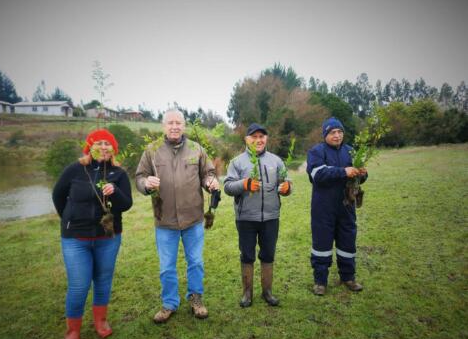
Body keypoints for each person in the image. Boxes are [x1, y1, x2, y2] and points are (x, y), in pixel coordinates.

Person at [52, 129, 132, 339]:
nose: (104, 147)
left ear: (114, 148)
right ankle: (73, 332)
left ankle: (100, 321)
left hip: (108, 238)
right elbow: (58, 195)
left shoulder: (118, 173)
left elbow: (126, 204)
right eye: (99, 143)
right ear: (90, 146)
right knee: (79, 285)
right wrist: (68, 218)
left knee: (103, 280)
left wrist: (114, 191)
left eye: (108, 143)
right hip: (76, 239)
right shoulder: (75, 170)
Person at [135, 109, 219, 323]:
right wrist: (145, 184)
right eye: (170, 122)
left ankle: (196, 299)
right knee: (166, 267)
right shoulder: (152, 150)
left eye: (178, 123)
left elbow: (208, 173)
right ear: (164, 126)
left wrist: (210, 182)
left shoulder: (196, 149)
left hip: (193, 219)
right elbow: (139, 177)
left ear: (184, 126)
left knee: (196, 262)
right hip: (164, 220)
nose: (174, 126)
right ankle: (169, 304)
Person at [224, 123, 292, 307]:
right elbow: (228, 186)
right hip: (246, 218)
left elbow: (286, 182)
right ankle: (247, 293)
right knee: (247, 255)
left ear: (266, 139)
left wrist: (287, 188)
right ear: (246, 140)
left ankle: (267, 292)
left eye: (261, 136)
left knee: (268, 254)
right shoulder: (237, 162)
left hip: (271, 217)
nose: (258, 140)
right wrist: (244, 184)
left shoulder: (276, 161)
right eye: (254, 137)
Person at [306, 117, 367, 296]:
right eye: (333, 132)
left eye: (340, 132)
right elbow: (318, 174)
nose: (337, 135)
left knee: (347, 240)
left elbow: (358, 178)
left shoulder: (351, 151)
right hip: (323, 207)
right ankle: (320, 281)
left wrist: (362, 174)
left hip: (347, 205)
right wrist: (344, 171)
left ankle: (348, 277)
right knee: (322, 244)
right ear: (325, 134)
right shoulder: (316, 151)